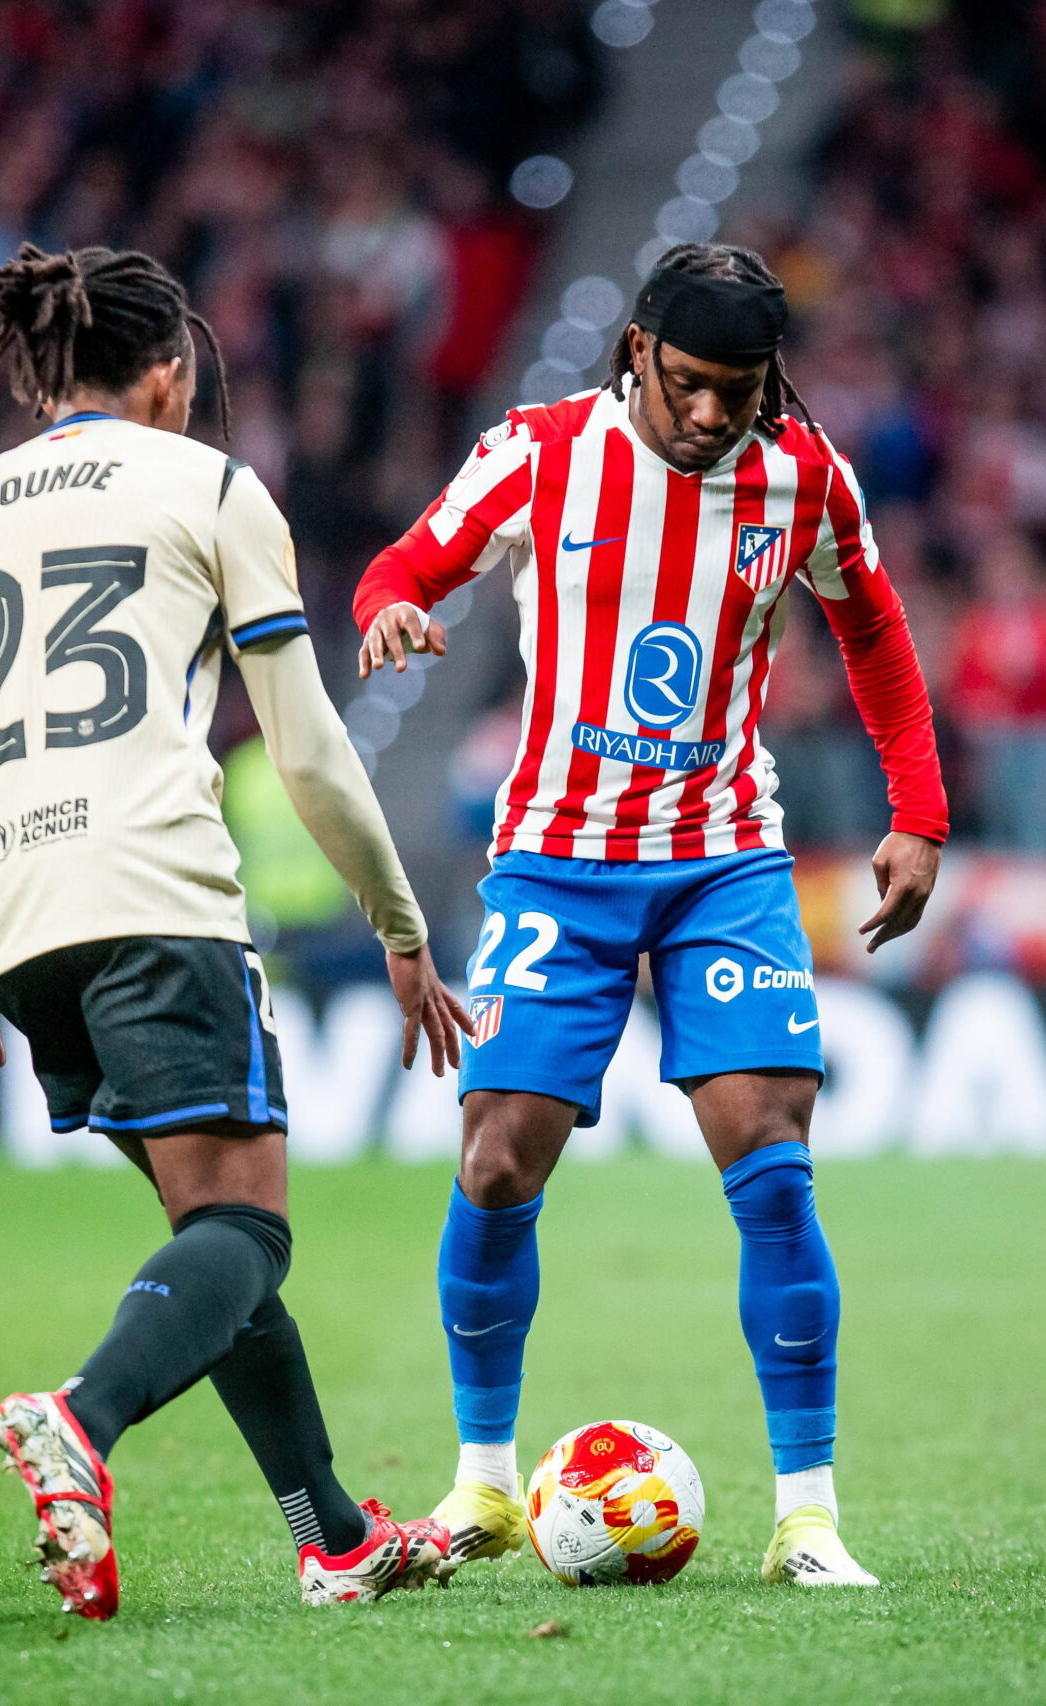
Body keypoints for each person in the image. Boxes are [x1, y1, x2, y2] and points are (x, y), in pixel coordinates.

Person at [0, 244, 469, 1618]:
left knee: (206, 1232)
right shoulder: (211, 483)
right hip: (148, 888)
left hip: (1, 918)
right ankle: (81, 1415)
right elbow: (307, 750)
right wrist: (403, 927)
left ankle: (336, 1536)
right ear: (169, 373)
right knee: (246, 1229)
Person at [354, 244, 948, 1587]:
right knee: (500, 1156)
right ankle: (486, 1487)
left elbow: (876, 630)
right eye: (687, 383)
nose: (709, 414)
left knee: (771, 1153)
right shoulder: (538, 453)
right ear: (635, 352)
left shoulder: (802, 474)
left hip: (722, 859)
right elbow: (403, 565)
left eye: (736, 391)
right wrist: (390, 612)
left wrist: (917, 808)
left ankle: (806, 1513)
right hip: (555, 859)